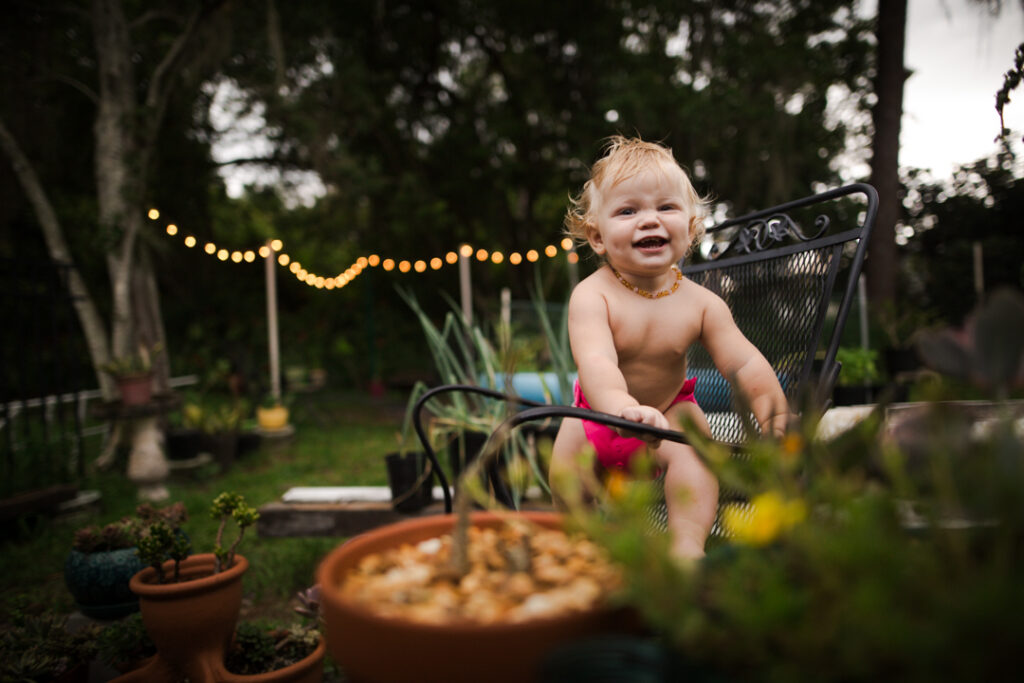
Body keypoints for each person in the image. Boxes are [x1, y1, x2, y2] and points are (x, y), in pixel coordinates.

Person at [549, 135, 790, 559]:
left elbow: (745, 361)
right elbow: (596, 360)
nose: (649, 220)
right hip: (595, 414)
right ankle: (578, 547)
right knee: (566, 476)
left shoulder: (701, 303)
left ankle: (687, 547)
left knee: (696, 454)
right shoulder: (593, 295)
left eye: (666, 207)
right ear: (598, 236)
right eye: (628, 211)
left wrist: (774, 415)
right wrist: (620, 407)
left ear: (691, 228)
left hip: (669, 410)